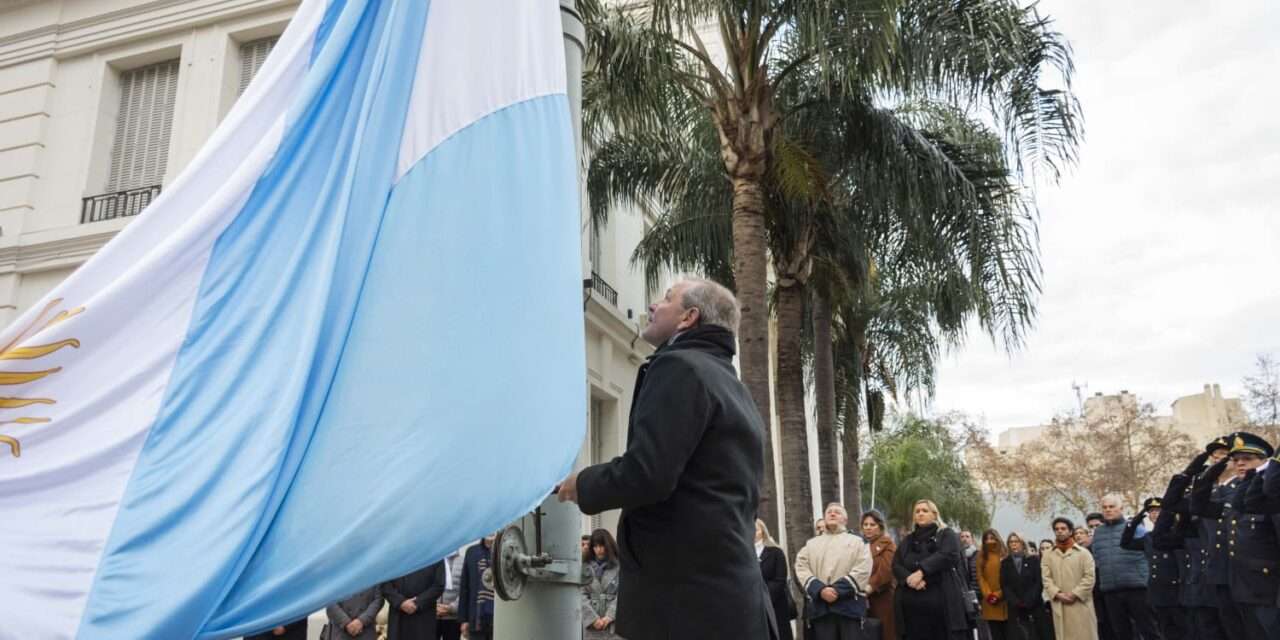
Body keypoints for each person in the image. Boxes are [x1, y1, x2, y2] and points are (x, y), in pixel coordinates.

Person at [558, 279, 775, 639]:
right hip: (729, 600)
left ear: (689, 317)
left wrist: (581, 484)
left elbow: (648, 473)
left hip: (683, 604)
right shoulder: (731, 385)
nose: (654, 305)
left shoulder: (679, 368)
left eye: (667, 298)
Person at [1191, 431, 1252, 639]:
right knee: (1229, 627)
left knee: (1250, 626)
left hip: (1242, 568)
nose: (1219, 459)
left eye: (1226, 455)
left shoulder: (1245, 487)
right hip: (1217, 569)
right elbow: (1182, 505)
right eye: (1215, 455)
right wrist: (1201, 469)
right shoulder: (1207, 491)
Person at [1223, 432, 1279, 640]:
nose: (1240, 464)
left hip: (1269, 586)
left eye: (1247, 459)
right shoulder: (1240, 493)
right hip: (1244, 586)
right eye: (1236, 460)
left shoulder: (1269, 493)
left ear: (1265, 462)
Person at [892, 499, 972, 640]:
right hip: (912, 609)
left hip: (942, 605)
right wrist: (909, 579)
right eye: (917, 511)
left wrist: (921, 572)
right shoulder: (908, 540)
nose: (920, 514)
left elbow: (948, 555)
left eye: (925, 510)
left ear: (935, 515)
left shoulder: (946, 534)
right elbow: (896, 564)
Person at [795, 503, 873, 640]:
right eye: (829, 512)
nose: (832, 514)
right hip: (821, 610)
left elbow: (863, 569)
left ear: (845, 519)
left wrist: (837, 590)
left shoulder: (859, 542)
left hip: (849, 609)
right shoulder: (811, 544)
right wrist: (819, 589)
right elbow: (801, 567)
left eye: (837, 512)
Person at [1090, 494, 1160, 640]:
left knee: (1149, 630)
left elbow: (1148, 552)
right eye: (1105, 507)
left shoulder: (1134, 527)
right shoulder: (1098, 532)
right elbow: (1097, 558)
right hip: (1111, 591)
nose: (1108, 510)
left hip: (1137, 588)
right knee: (1121, 633)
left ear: (1121, 508)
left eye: (1112, 507)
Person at [1120, 497, 1187, 640]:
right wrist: (1137, 518)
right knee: (1164, 630)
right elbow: (1125, 543)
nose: (1155, 514)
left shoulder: (1176, 533)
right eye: (1151, 511)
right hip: (1158, 591)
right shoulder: (1148, 538)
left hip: (1176, 590)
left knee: (1183, 630)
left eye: (1159, 510)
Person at [1041, 517, 1097, 640]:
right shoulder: (1048, 555)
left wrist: (1074, 594)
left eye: (1063, 528)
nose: (1060, 531)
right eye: (1056, 529)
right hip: (1060, 604)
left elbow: (1089, 577)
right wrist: (1057, 594)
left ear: (1070, 531)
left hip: (1080, 603)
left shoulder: (1083, 553)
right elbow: (1046, 579)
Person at [1001, 532, 1049, 640]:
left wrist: (1029, 600)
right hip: (1016, 608)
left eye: (1016, 541)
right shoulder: (1005, 563)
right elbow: (1005, 585)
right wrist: (1016, 601)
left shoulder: (1033, 560)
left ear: (1022, 543)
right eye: (1011, 542)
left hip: (1035, 605)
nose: (1013, 544)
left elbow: (1038, 582)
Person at [383, 560, 446, 640]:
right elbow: (384, 583)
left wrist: (418, 603)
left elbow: (439, 585)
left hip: (424, 616)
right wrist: (400, 602)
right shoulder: (393, 555)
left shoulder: (435, 554)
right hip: (398, 616)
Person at [860, 510, 897, 640]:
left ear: (880, 527)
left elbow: (886, 570)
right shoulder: (861, 546)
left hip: (884, 599)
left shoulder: (888, 544)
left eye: (872, 524)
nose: (868, 528)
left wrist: (870, 586)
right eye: (865, 525)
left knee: (886, 634)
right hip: (863, 600)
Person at [757, 519, 796, 640]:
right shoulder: (742, 553)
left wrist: (762, 597)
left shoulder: (776, 552)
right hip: (750, 607)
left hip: (774, 605)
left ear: (763, 532)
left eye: (756, 529)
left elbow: (780, 580)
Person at [581, 528, 622, 640]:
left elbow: (624, 594)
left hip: (615, 625)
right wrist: (593, 619)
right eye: (595, 546)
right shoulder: (584, 568)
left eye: (602, 545)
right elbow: (580, 595)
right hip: (592, 627)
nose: (599, 549)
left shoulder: (620, 567)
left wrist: (609, 616)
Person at [458, 535, 496, 640]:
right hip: (476, 617)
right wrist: (464, 620)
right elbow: (465, 586)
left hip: (500, 617)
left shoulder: (506, 551)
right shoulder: (472, 552)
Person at [977, 529, 1009, 640]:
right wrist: (989, 595)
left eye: (992, 538)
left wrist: (998, 594)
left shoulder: (1005, 553)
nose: (989, 541)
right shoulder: (981, 556)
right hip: (990, 602)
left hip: (1006, 599)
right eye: (987, 539)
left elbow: (1009, 578)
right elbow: (981, 578)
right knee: (996, 634)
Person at [961, 529, 992, 640]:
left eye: (967, 536)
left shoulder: (980, 555)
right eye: (962, 536)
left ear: (972, 539)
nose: (964, 539)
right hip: (964, 597)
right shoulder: (958, 557)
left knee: (983, 628)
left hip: (979, 597)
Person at [435, 548, 466, 640]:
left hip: (453, 617)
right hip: (432, 616)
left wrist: (452, 608)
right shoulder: (434, 561)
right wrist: (433, 606)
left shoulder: (464, 562)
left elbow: (466, 590)